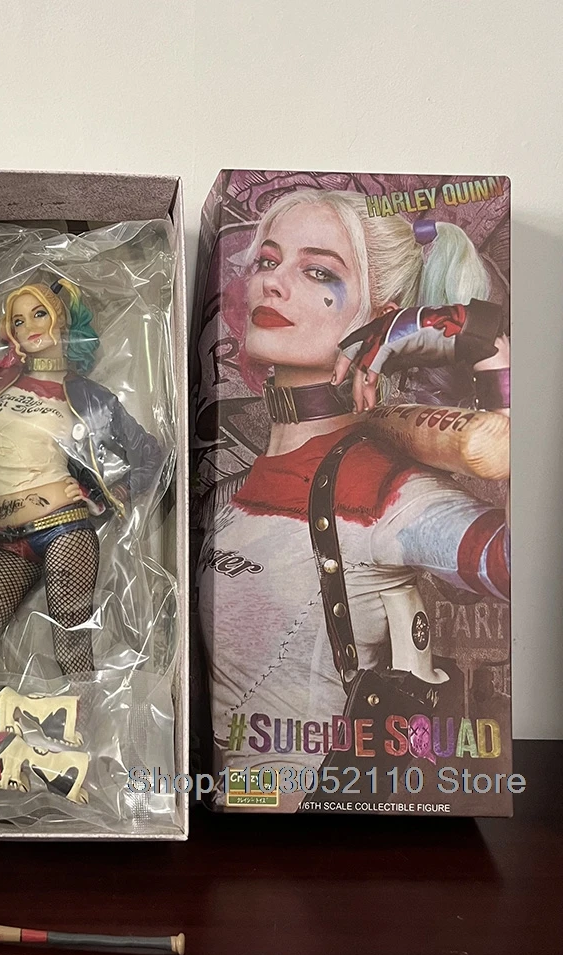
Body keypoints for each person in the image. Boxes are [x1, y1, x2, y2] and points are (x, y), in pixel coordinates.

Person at [197, 190, 510, 803]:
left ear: (381, 319)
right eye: (268, 261)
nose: (272, 283)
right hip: (214, 820)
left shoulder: (385, 494)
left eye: (319, 272)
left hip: (309, 830)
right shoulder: (232, 487)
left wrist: (482, 344)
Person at [0, 278, 166, 677]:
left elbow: (150, 455)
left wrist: (108, 496)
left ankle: (82, 719)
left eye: (39, 313)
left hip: (65, 528)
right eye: (18, 320)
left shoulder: (89, 395)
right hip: (7, 538)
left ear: (61, 320)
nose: (29, 326)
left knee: (71, 645)